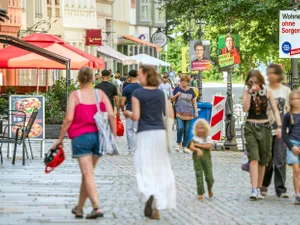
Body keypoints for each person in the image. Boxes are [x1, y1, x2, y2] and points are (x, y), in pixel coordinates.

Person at [53, 67, 116, 219]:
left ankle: (96, 207)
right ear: (93, 78)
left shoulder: (75, 95)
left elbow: (68, 119)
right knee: (88, 174)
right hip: (98, 138)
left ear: (79, 79)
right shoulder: (99, 94)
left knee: (87, 173)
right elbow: (111, 115)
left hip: (81, 138)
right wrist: (113, 136)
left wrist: (60, 139)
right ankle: (79, 208)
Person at [123, 65, 176, 220]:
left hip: (144, 134)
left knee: (144, 166)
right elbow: (170, 114)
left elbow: (137, 117)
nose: (138, 76)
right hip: (159, 133)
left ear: (145, 75)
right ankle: (157, 202)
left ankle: (149, 194)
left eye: (139, 74)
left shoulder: (137, 93)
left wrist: (127, 113)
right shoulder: (161, 93)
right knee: (159, 168)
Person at [242, 70, 282, 201]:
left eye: (256, 82)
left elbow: (275, 110)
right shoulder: (246, 90)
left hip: (265, 127)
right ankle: (254, 189)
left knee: (263, 160)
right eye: (251, 82)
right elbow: (245, 109)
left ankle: (259, 187)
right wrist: (249, 92)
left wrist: (280, 126)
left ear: (260, 81)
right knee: (254, 158)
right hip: (251, 127)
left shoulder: (267, 91)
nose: (254, 84)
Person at [261, 64, 291, 198]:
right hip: (266, 128)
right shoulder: (264, 89)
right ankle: (263, 185)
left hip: (281, 130)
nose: (270, 75)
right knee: (267, 160)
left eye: (273, 73)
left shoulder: (286, 90)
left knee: (280, 159)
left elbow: (289, 109)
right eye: (269, 73)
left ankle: (281, 189)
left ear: (279, 75)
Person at [171, 75, 198, 153]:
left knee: (187, 130)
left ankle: (185, 146)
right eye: (182, 81)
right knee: (180, 128)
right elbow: (171, 99)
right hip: (179, 112)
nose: (183, 83)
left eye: (185, 81)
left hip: (189, 113)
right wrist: (176, 95)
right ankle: (178, 143)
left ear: (188, 82)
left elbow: (194, 102)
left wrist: (196, 112)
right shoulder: (177, 89)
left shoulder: (191, 91)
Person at [188, 119, 214, 200]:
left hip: (206, 159)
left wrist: (198, 145)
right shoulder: (195, 138)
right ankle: (200, 192)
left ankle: (210, 189)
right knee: (199, 174)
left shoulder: (207, 137)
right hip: (197, 158)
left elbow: (209, 146)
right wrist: (197, 149)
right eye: (198, 128)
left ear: (205, 129)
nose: (200, 130)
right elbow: (191, 146)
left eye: (202, 128)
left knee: (209, 177)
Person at [282, 91, 300, 205]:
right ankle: (297, 194)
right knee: (296, 170)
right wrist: (292, 146)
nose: (295, 101)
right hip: (292, 143)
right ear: (290, 101)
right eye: (293, 99)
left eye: (297, 99)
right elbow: (284, 134)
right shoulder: (288, 116)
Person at [121, 70, 141, 154]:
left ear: (129, 76)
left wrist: (123, 110)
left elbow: (122, 102)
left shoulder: (126, 88)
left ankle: (131, 149)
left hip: (129, 109)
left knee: (129, 130)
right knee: (137, 130)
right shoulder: (141, 87)